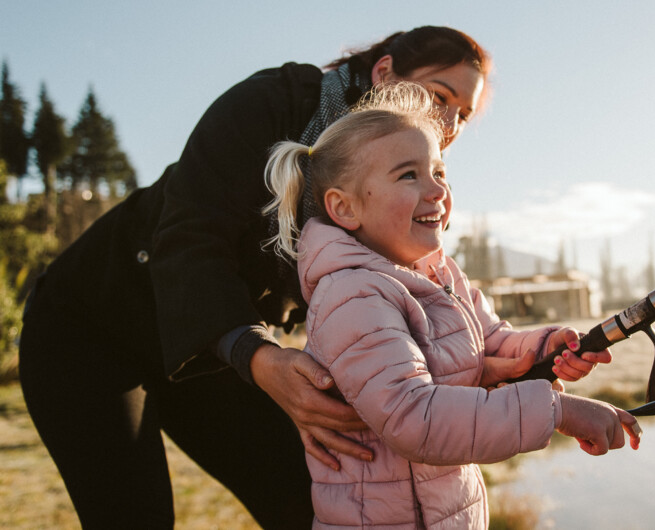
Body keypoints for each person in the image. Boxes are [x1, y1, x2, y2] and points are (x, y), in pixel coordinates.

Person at [17, 26, 606, 528]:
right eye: (439, 95)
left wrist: (486, 361)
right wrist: (259, 357)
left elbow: (405, 298)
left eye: (462, 115)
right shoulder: (272, 102)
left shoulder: (387, 185)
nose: (448, 121)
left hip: (218, 349)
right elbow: (189, 238)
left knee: (312, 501)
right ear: (383, 72)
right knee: (132, 517)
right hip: (94, 328)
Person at [263, 82, 642, 528]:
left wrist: (544, 348)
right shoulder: (353, 295)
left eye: (439, 173)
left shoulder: (440, 273)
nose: (437, 191)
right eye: (409, 175)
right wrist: (560, 411)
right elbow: (414, 417)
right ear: (344, 209)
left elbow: (492, 341)